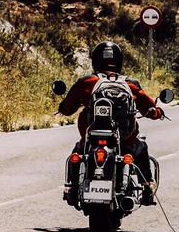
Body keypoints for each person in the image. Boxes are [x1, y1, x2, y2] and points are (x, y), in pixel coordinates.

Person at [57, 40, 163, 205]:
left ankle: (71, 188)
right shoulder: (130, 84)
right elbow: (149, 107)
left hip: (91, 138)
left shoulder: (86, 82)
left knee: (77, 153)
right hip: (125, 140)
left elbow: (67, 108)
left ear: (95, 60)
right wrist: (156, 112)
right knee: (141, 147)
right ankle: (147, 187)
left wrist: (63, 107)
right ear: (120, 61)